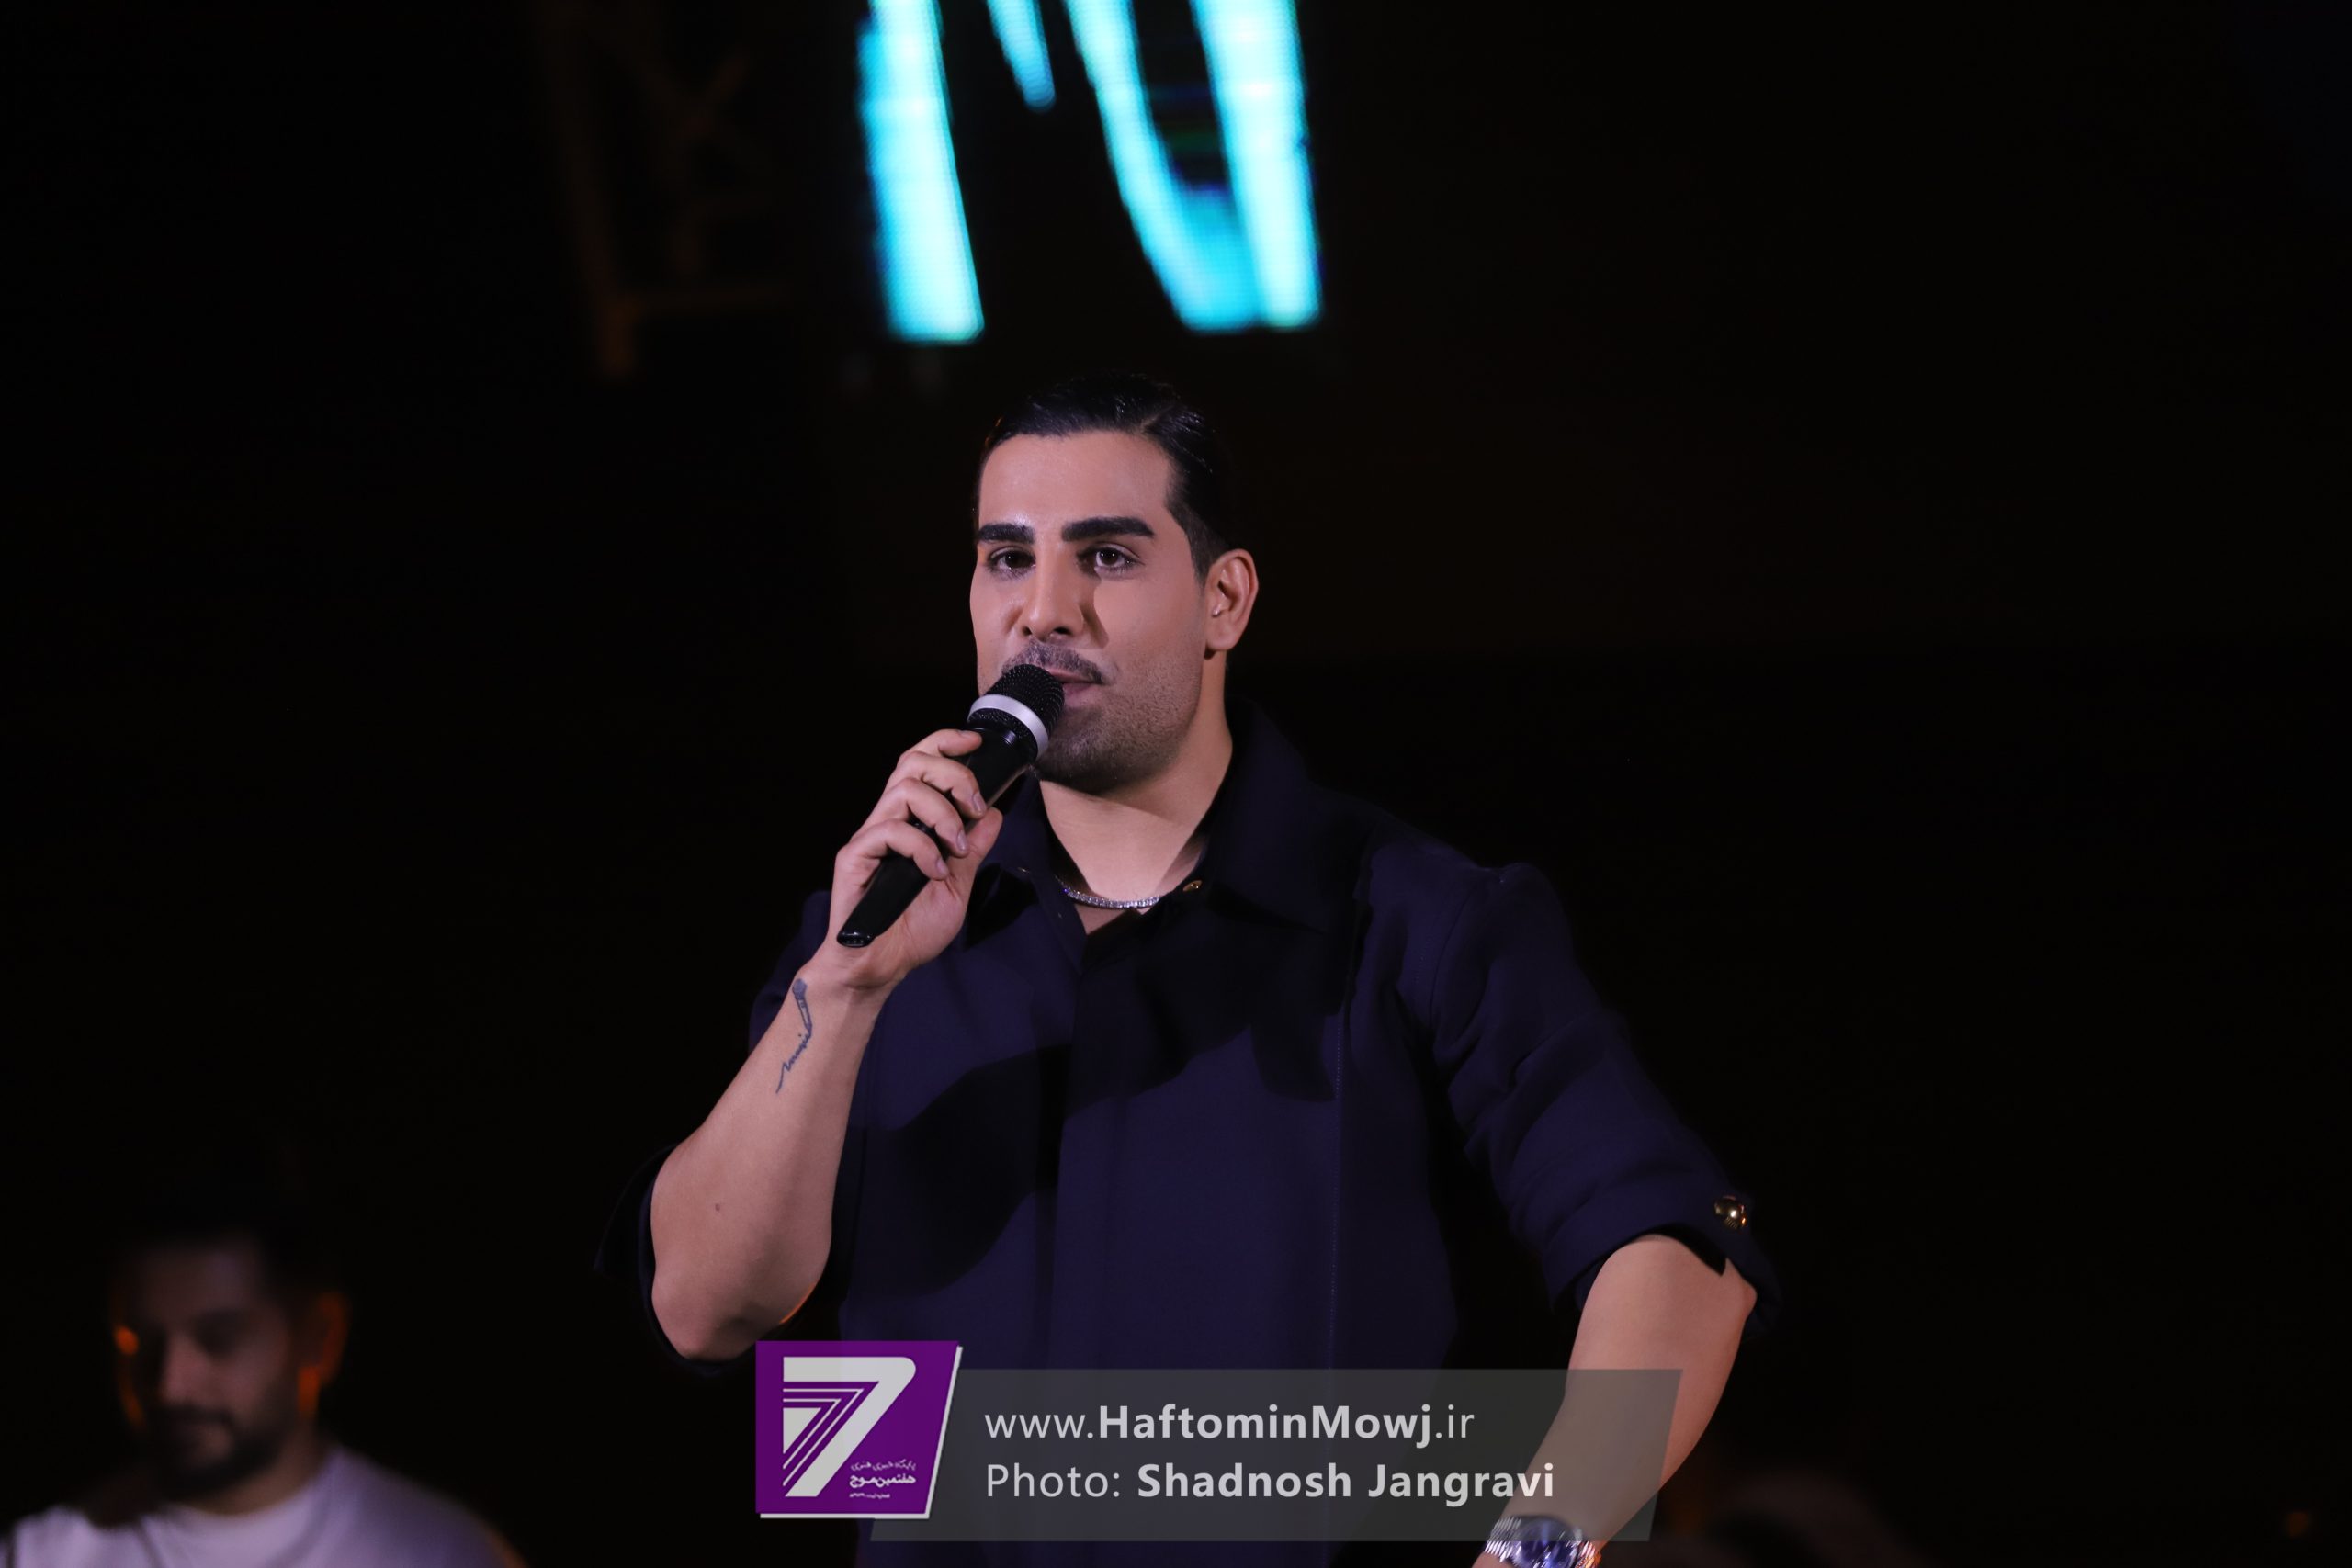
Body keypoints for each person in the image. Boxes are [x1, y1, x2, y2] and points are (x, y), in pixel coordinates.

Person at [597, 371, 1785, 1563]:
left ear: (1225, 599)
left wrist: (1539, 1543)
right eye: (1006, 558)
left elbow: (1677, 1253)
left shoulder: (1418, 920)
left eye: (1106, 557)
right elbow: (701, 1308)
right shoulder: (872, 939)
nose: (1044, 610)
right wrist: (845, 984)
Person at [6, 1171, 523, 1568]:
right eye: (140, 1342)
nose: (170, 1384)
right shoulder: (41, 1556)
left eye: (218, 1340)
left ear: (318, 1338)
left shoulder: (445, 1555)